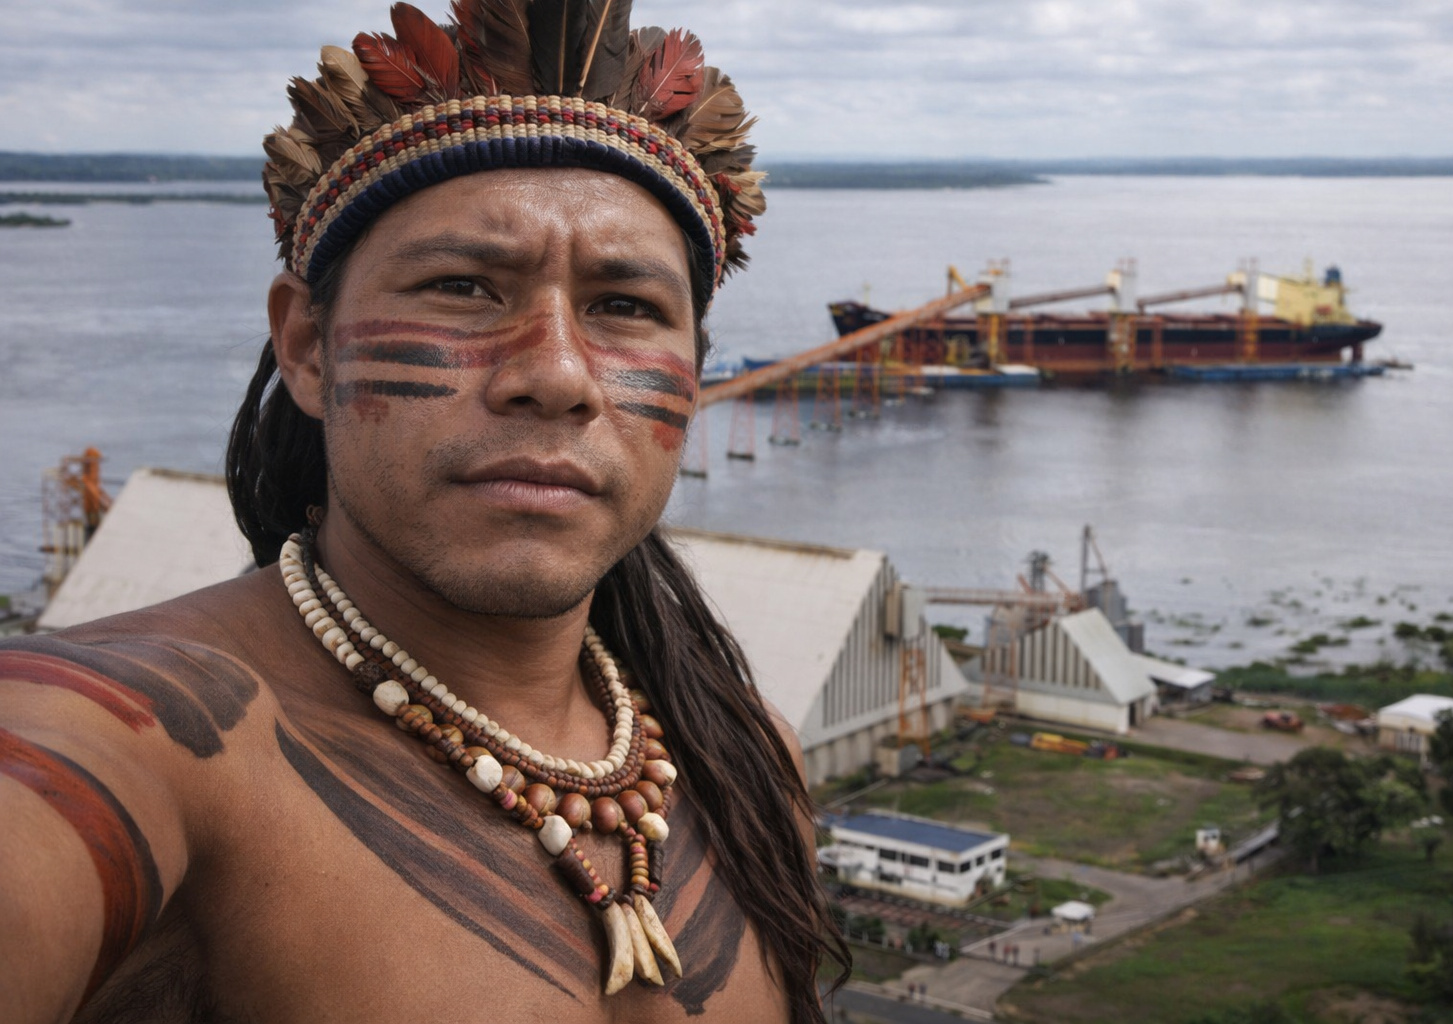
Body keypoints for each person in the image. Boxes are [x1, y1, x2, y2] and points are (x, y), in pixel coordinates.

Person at [0, 2, 846, 1022]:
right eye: (463, 286)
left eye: (626, 307)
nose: (558, 374)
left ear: (696, 375)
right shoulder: (134, 746)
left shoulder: (748, 761)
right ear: (308, 347)